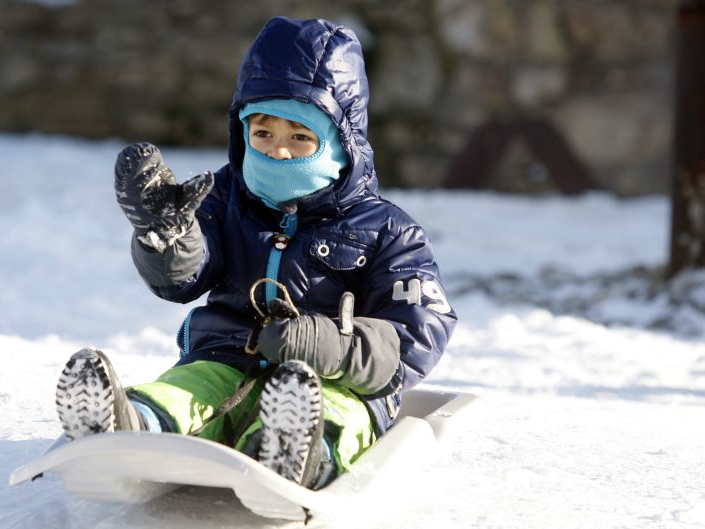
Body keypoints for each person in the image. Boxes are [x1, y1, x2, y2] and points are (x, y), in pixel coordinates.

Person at [55, 16, 457, 490]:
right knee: (190, 388)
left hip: (335, 381)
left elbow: (416, 335)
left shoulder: (388, 231)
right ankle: (132, 423)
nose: (278, 152)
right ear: (241, 131)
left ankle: (297, 450)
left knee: (337, 413)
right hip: (226, 358)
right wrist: (166, 237)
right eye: (262, 134)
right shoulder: (226, 198)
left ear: (340, 142)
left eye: (299, 137)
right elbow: (183, 279)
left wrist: (325, 344)